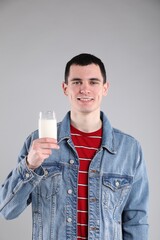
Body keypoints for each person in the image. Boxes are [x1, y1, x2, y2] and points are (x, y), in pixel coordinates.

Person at [0, 53, 149, 240]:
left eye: (93, 82)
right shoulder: (38, 142)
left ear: (105, 88)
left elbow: (136, 220)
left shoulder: (129, 149)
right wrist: (30, 166)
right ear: (65, 88)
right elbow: (7, 210)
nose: (85, 89)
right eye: (77, 82)